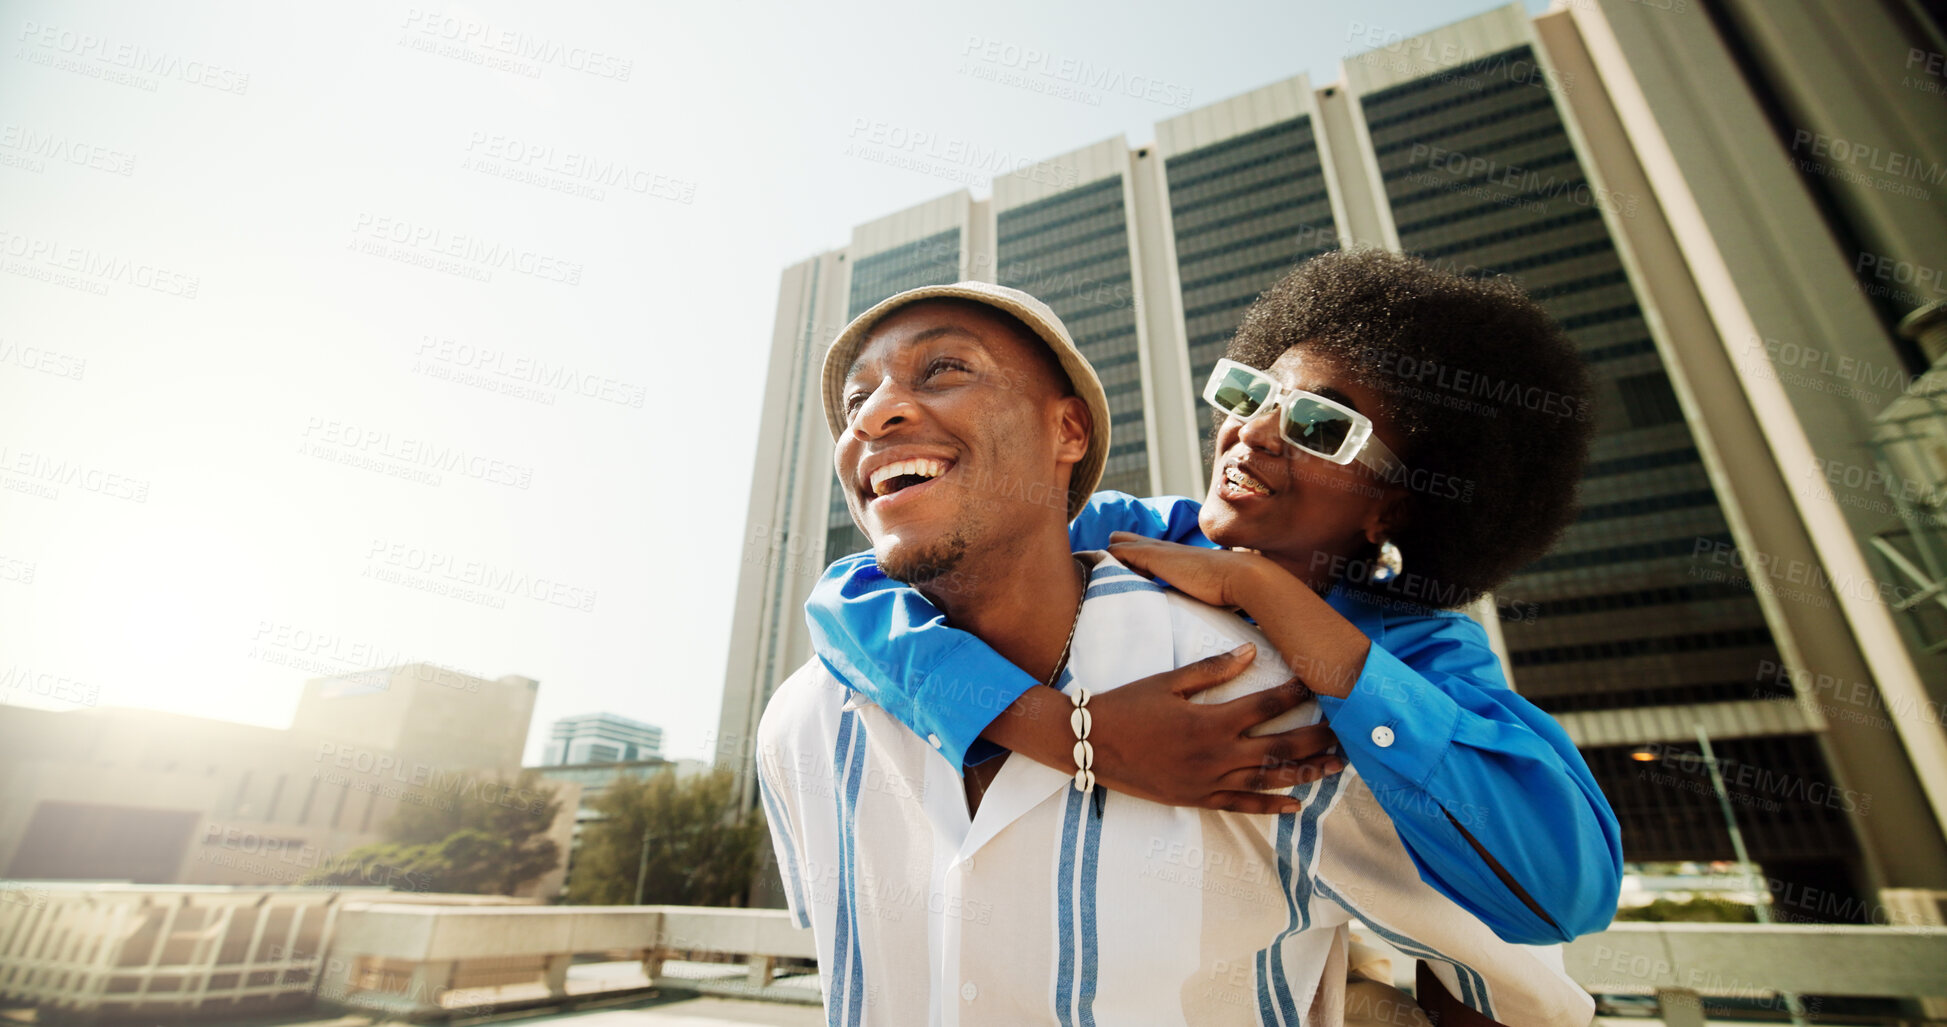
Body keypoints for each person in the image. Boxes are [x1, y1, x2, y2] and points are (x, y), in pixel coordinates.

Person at [756, 278, 1594, 1024]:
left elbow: (1559, 881)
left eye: (1315, 423)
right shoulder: (1133, 535)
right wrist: (1063, 729)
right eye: (1247, 394)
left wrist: (1264, 594)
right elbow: (856, 592)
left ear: (1393, 507)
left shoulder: (1422, 648)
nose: (1251, 434)